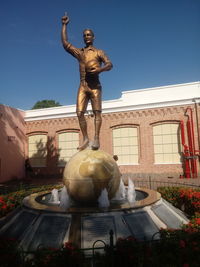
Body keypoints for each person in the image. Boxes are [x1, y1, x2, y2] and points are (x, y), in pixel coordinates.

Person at [61, 15, 113, 150]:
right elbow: (65, 44)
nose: (87, 37)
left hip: (95, 86)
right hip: (83, 85)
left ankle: (96, 138)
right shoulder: (80, 53)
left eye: (89, 35)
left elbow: (110, 64)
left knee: (97, 113)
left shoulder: (99, 52)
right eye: (84, 35)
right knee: (79, 113)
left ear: (93, 37)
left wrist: (99, 70)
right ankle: (85, 138)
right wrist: (64, 25)